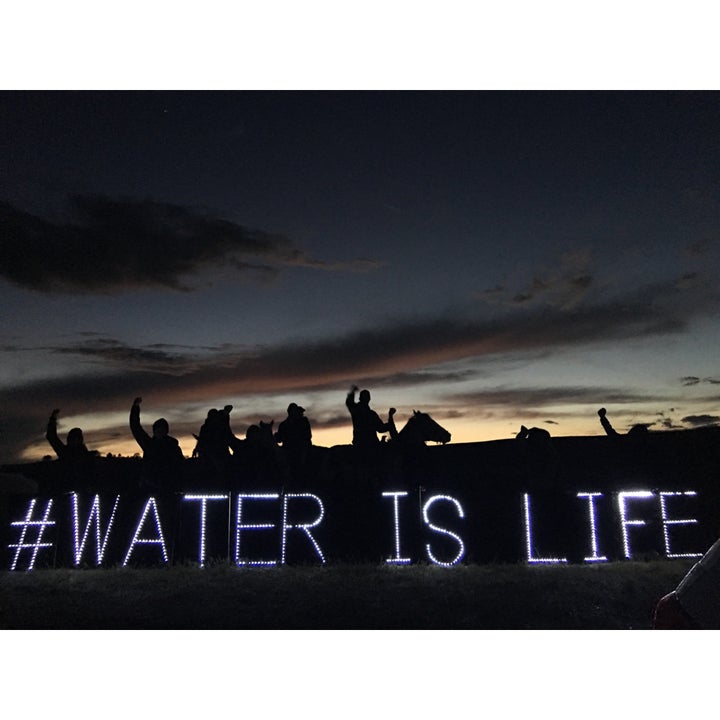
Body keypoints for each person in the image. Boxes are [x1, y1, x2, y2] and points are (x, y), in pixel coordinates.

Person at [130, 397, 184, 492]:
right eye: (158, 429)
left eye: (162, 429)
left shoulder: (174, 447)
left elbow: (180, 466)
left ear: (166, 431)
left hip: (168, 487)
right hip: (150, 486)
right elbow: (136, 428)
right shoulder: (149, 444)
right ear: (154, 431)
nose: (160, 432)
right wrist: (135, 408)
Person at [45, 408, 94, 491]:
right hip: (64, 489)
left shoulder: (86, 456)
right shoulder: (65, 452)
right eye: (72, 438)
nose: (74, 441)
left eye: (77, 438)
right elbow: (51, 436)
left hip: (82, 490)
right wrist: (53, 419)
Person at [275, 402, 312, 485]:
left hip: (301, 449)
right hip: (290, 449)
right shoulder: (284, 425)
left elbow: (307, 436)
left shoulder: (302, 422)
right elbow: (279, 439)